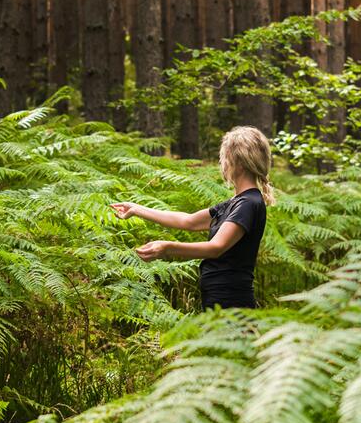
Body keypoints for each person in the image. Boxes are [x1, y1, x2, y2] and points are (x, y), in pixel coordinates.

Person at [109, 126, 275, 309]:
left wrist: (167, 248)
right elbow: (188, 221)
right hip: (220, 297)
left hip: (231, 300)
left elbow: (215, 247)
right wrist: (136, 209)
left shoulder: (249, 203)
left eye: (225, 158)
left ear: (239, 161)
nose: (223, 164)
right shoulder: (237, 202)